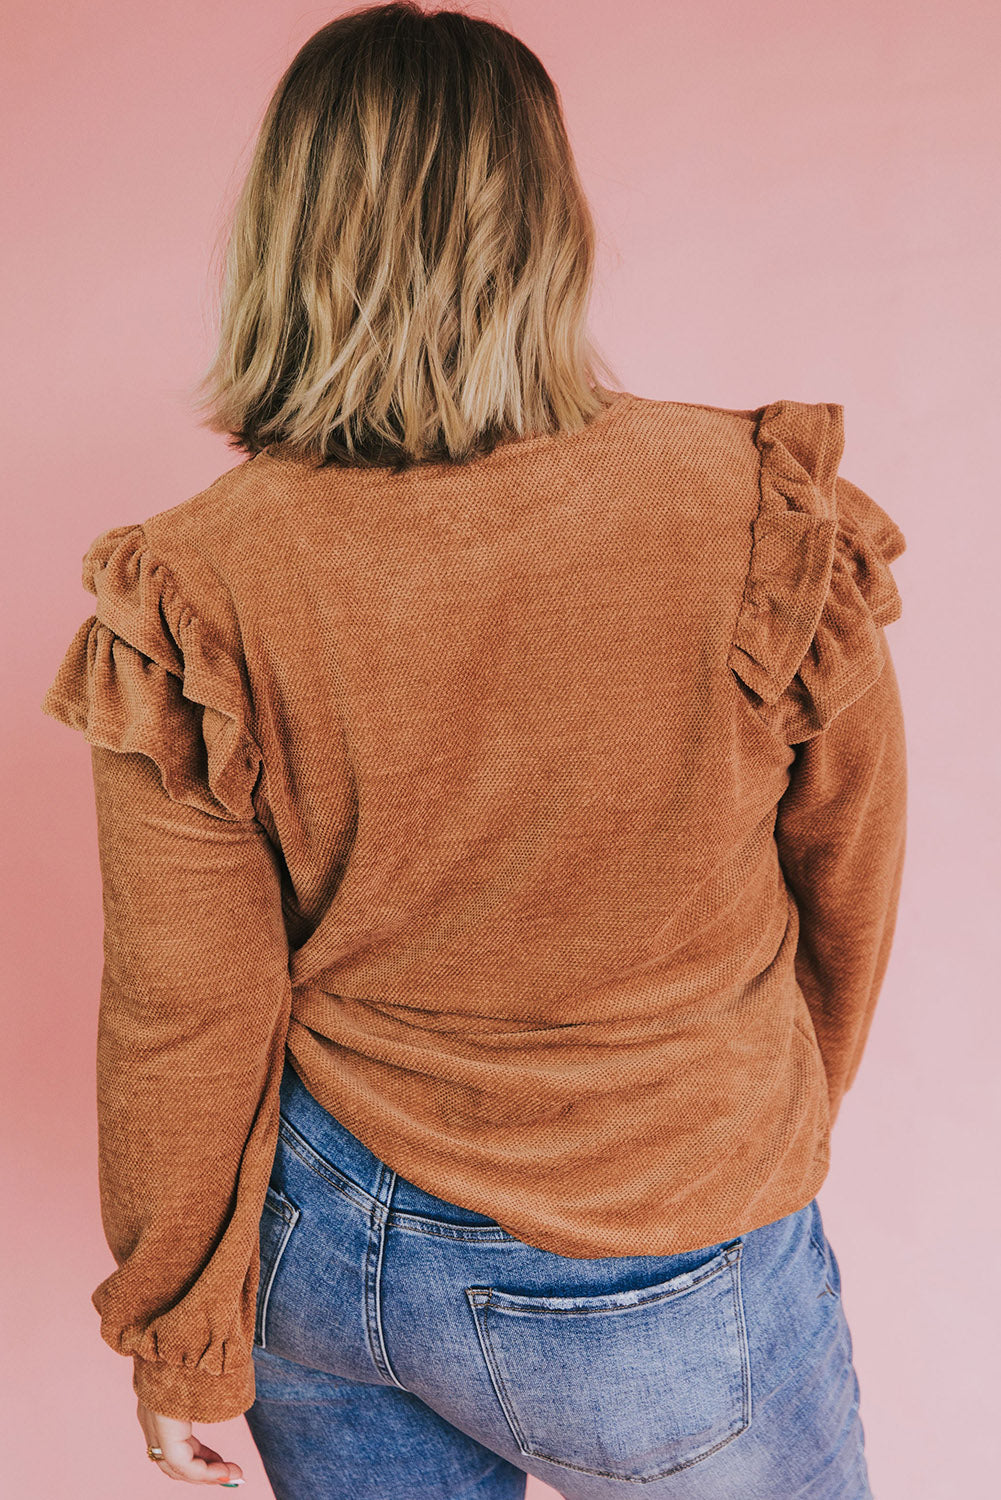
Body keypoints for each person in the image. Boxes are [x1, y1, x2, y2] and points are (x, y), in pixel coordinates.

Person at [40, 4, 907, 1496]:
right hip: (659, 1241)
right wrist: (746, 1131)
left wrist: (182, 1333)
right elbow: (846, 872)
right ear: (549, 227)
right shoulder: (751, 514)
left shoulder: (196, 582)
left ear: (281, 237)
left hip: (322, 1254)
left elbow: (184, 1005)